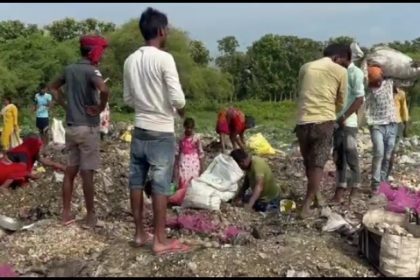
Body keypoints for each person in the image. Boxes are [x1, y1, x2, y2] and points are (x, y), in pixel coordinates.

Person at [123, 7, 188, 255]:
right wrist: (171, 106)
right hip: (161, 131)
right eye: (167, 29)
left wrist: (145, 102)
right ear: (161, 30)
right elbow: (178, 99)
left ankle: (140, 233)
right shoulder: (164, 58)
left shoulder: (130, 60)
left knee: (136, 181)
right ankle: (159, 240)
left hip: (139, 128)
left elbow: (128, 99)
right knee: (160, 186)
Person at [49, 34, 110, 228]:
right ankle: (90, 217)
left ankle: (65, 214)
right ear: (93, 52)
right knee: (87, 173)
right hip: (88, 127)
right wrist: (100, 108)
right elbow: (104, 89)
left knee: (70, 172)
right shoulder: (93, 71)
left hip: (72, 127)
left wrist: (65, 105)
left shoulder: (69, 69)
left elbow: (52, 87)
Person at [295, 43, 351, 219]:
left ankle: (317, 196)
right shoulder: (340, 71)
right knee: (318, 163)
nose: (343, 66)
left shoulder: (305, 67)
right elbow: (341, 101)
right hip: (323, 122)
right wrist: (331, 110)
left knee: (308, 162)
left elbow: (302, 91)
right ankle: (306, 205)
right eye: (344, 62)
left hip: (302, 121)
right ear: (338, 58)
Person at [331, 43, 365, 204]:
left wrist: (344, 116)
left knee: (351, 154)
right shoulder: (339, 73)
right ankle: (340, 189)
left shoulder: (355, 73)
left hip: (348, 122)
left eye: (338, 57)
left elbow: (359, 99)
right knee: (338, 157)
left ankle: (355, 188)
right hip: (337, 121)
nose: (335, 60)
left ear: (345, 57)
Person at [365, 66, 398, 190]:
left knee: (388, 156)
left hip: (391, 124)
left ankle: (383, 182)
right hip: (376, 125)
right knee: (378, 153)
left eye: (379, 79)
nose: (378, 82)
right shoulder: (368, 89)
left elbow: (406, 80)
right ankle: (375, 184)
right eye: (375, 80)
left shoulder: (389, 83)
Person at [388, 86, 410, 176]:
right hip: (386, 124)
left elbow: (404, 111)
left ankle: (387, 173)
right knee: (384, 150)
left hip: (397, 124)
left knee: (392, 150)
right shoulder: (383, 92)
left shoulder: (401, 93)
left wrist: (405, 127)